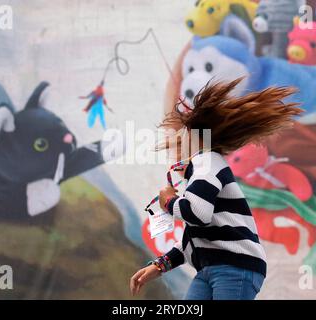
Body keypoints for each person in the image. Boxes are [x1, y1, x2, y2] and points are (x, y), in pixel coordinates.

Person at [130, 78, 303, 300]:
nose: (177, 140)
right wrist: (160, 265)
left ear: (194, 136)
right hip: (212, 268)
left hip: (234, 266)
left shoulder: (208, 161)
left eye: (182, 133)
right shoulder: (203, 169)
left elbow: (197, 214)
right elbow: (194, 237)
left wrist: (168, 201)